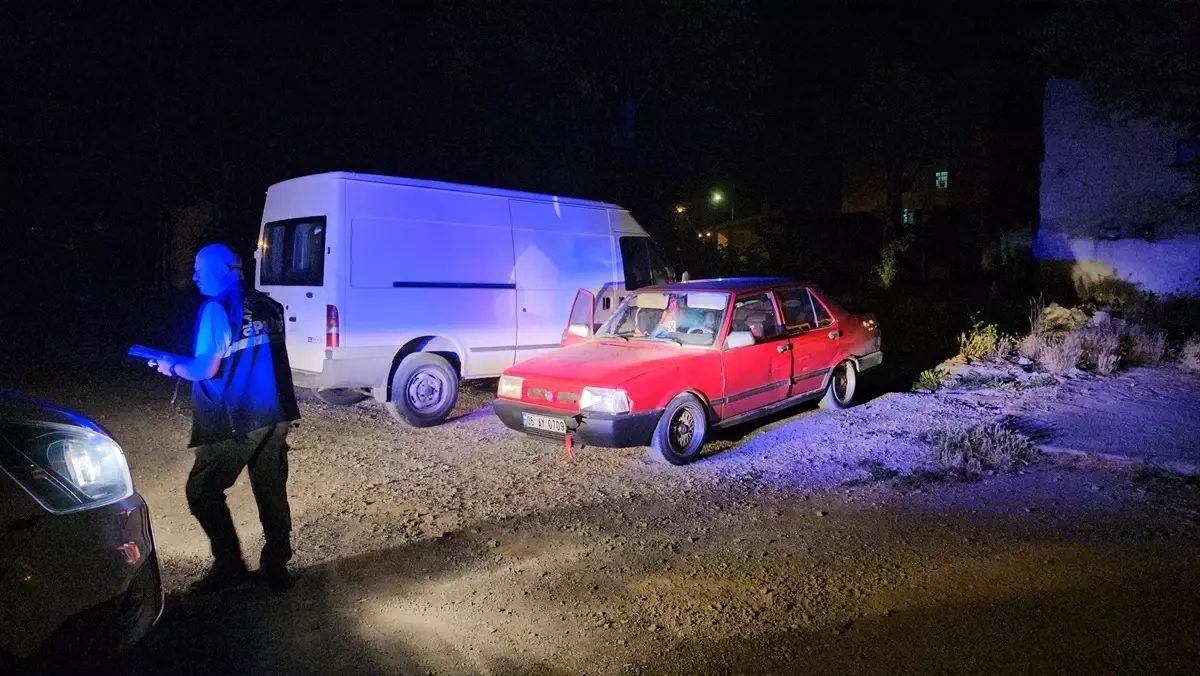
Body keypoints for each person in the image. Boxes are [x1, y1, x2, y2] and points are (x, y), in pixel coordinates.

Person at [154, 243, 301, 594]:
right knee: (270, 490)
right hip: (276, 412)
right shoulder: (268, 305)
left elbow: (205, 368)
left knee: (202, 490)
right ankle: (276, 568)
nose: (194, 276)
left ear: (222, 270)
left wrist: (171, 365)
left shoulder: (216, 309)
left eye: (198, 269)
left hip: (237, 418)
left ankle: (230, 566)